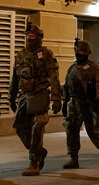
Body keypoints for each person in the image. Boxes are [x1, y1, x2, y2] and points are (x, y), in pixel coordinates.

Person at [8, 23, 62, 176]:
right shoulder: (21, 55)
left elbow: (54, 77)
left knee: (38, 127)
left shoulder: (46, 54)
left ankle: (34, 162)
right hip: (25, 97)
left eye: (33, 36)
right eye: (28, 36)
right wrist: (11, 97)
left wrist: (56, 98)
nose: (30, 39)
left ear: (39, 38)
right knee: (19, 126)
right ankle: (39, 152)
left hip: (40, 95)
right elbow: (15, 78)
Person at [62, 40, 99, 168]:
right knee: (71, 130)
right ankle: (73, 157)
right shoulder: (72, 68)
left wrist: (98, 100)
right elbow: (67, 86)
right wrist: (65, 102)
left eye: (83, 51)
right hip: (75, 104)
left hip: (90, 103)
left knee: (93, 131)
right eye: (78, 51)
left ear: (88, 53)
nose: (80, 54)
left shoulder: (95, 68)